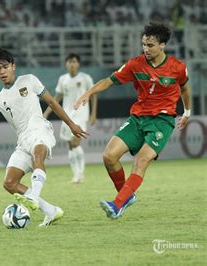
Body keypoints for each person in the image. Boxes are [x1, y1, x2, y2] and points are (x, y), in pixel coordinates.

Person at [0, 48, 88, 226]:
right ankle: (51, 211)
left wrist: (71, 124)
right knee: (9, 183)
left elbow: (52, 102)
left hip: (40, 129)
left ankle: (34, 197)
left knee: (38, 155)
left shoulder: (29, 80)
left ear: (13, 66)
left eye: (5, 67)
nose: (2, 71)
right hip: (23, 141)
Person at [74, 22, 192, 219]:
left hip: (162, 121)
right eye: (144, 44)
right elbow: (109, 81)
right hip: (138, 118)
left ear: (162, 45)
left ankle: (117, 204)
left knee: (140, 160)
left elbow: (185, 88)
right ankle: (126, 197)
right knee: (109, 157)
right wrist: (88, 92)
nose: (146, 49)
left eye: (151, 45)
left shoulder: (177, 68)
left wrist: (187, 111)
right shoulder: (135, 64)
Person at [43, 53, 97, 184]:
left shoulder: (85, 78)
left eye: (74, 61)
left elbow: (93, 95)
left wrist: (93, 113)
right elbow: (57, 98)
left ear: (78, 64)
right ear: (66, 64)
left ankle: (80, 174)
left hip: (81, 115)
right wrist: (46, 113)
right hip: (67, 115)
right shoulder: (63, 79)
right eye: (70, 62)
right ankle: (76, 175)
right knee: (70, 146)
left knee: (75, 143)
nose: (72, 64)